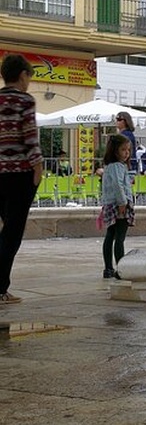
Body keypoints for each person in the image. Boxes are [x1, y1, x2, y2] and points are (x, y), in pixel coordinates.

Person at [0, 54, 42, 304]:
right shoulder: (24, 101)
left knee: (5, 231)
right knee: (12, 234)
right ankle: (0, 288)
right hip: (18, 175)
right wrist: (37, 168)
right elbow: (29, 136)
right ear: (23, 75)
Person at [100, 134, 135, 280]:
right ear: (115, 151)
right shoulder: (117, 167)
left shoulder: (109, 167)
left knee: (110, 236)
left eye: (128, 150)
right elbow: (117, 185)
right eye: (123, 150)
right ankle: (120, 268)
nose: (126, 153)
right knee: (119, 237)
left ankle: (108, 268)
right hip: (119, 204)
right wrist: (123, 203)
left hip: (110, 203)